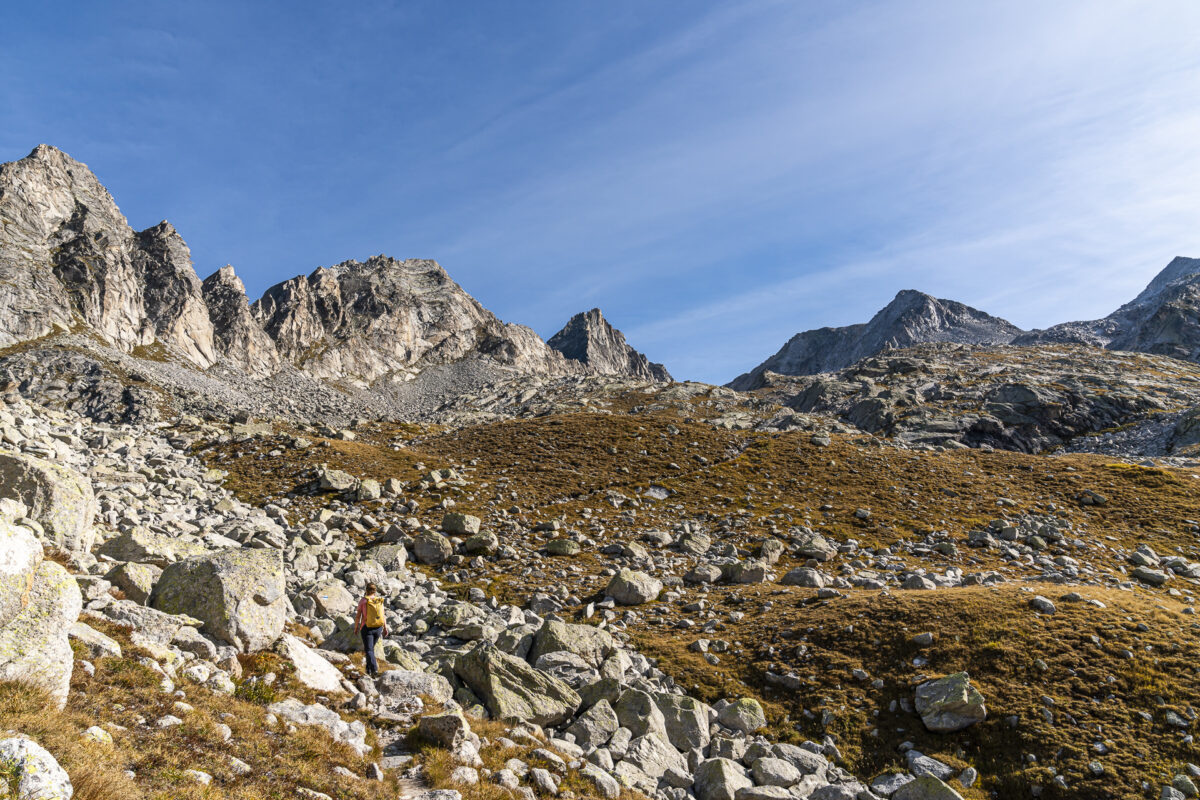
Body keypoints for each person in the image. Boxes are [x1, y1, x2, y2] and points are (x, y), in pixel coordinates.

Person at [354, 582, 389, 677]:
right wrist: (385, 628)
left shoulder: (363, 601)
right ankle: (368, 670)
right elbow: (383, 615)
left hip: (367, 628)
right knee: (370, 650)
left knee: (369, 650)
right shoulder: (379, 600)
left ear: (366, 590)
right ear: (375, 591)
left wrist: (356, 627)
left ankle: (374, 669)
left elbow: (358, 616)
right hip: (378, 628)